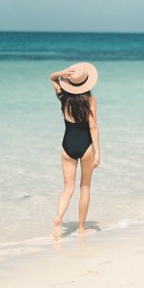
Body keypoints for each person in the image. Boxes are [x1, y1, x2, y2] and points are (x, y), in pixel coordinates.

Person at [49, 62, 101, 238]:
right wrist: (98, 151)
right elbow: (93, 127)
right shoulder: (90, 100)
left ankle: (58, 217)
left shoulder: (64, 97)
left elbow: (52, 78)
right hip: (86, 146)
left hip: (67, 145)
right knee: (85, 187)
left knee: (67, 188)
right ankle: (81, 228)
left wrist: (63, 73)